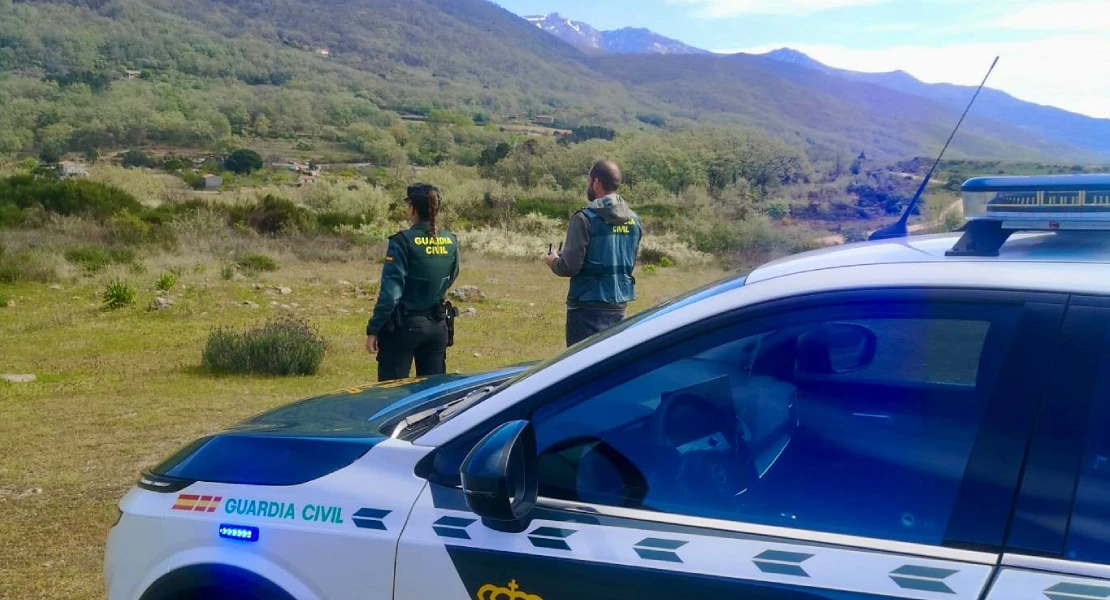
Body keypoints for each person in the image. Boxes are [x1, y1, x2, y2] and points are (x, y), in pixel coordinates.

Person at [365, 183, 459, 381]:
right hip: (437, 324)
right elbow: (452, 276)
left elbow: (391, 294)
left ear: (412, 209)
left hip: (404, 327)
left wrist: (374, 329)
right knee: (432, 396)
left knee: (392, 393)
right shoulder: (450, 240)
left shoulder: (402, 241)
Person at [545, 160, 642, 347]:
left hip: (585, 306)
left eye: (588, 181)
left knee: (579, 365)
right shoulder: (635, 220)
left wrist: (553, 261)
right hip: (619, 304)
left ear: (595, 183)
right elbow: (628, 262)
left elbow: (569, 267)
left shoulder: (584, 218)